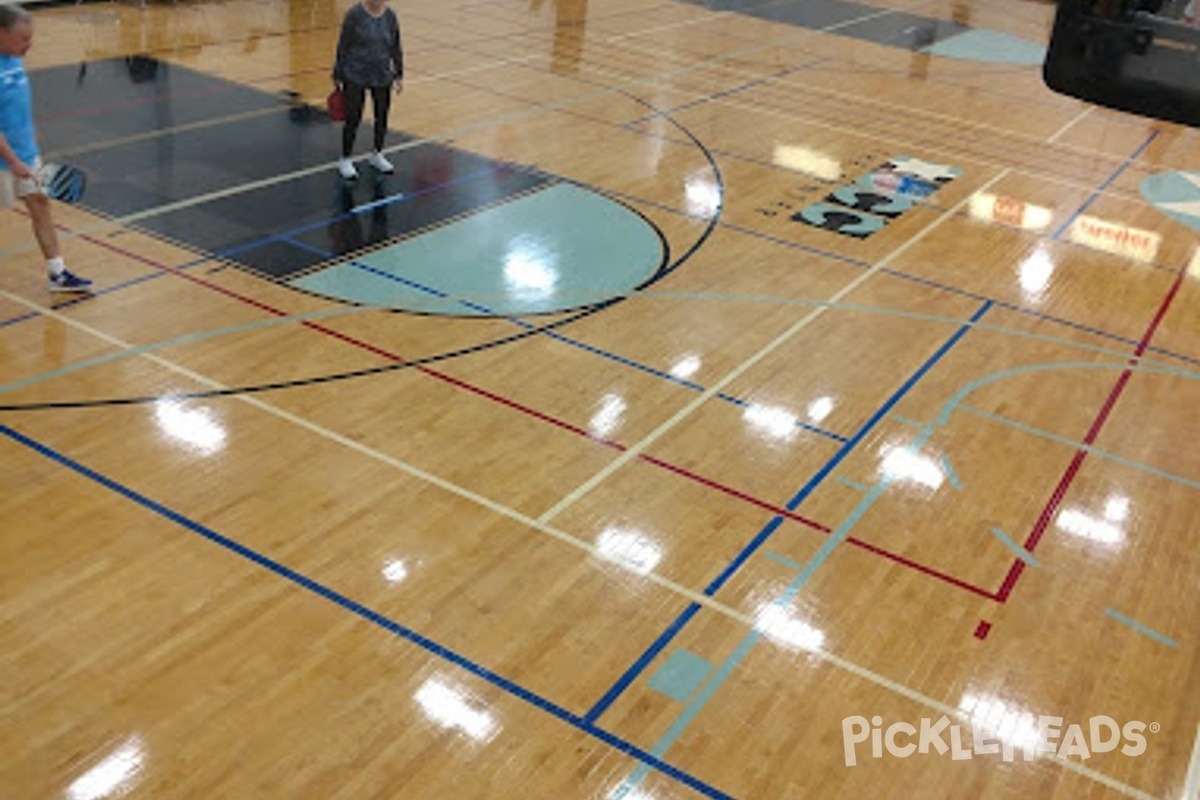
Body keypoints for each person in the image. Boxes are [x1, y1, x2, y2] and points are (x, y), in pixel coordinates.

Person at [0, 4, 92, 292]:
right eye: (24, 38)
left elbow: (17, 108)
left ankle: (58, 273)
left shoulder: (14, 59)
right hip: (5, 160)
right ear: (1, 34)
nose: (30, 44)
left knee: (40, 205)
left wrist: (30, 145)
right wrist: (13, 161)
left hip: (25, 156)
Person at [332, 0, 404, 181]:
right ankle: (345, 158)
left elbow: (395, 46)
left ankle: (377, 154)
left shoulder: (390, 16)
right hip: (355, 73)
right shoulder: (355, 14)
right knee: (353, 117)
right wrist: (338, 72)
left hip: (381, 74)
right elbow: (343, 44)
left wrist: (398, 73)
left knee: (382, 115)